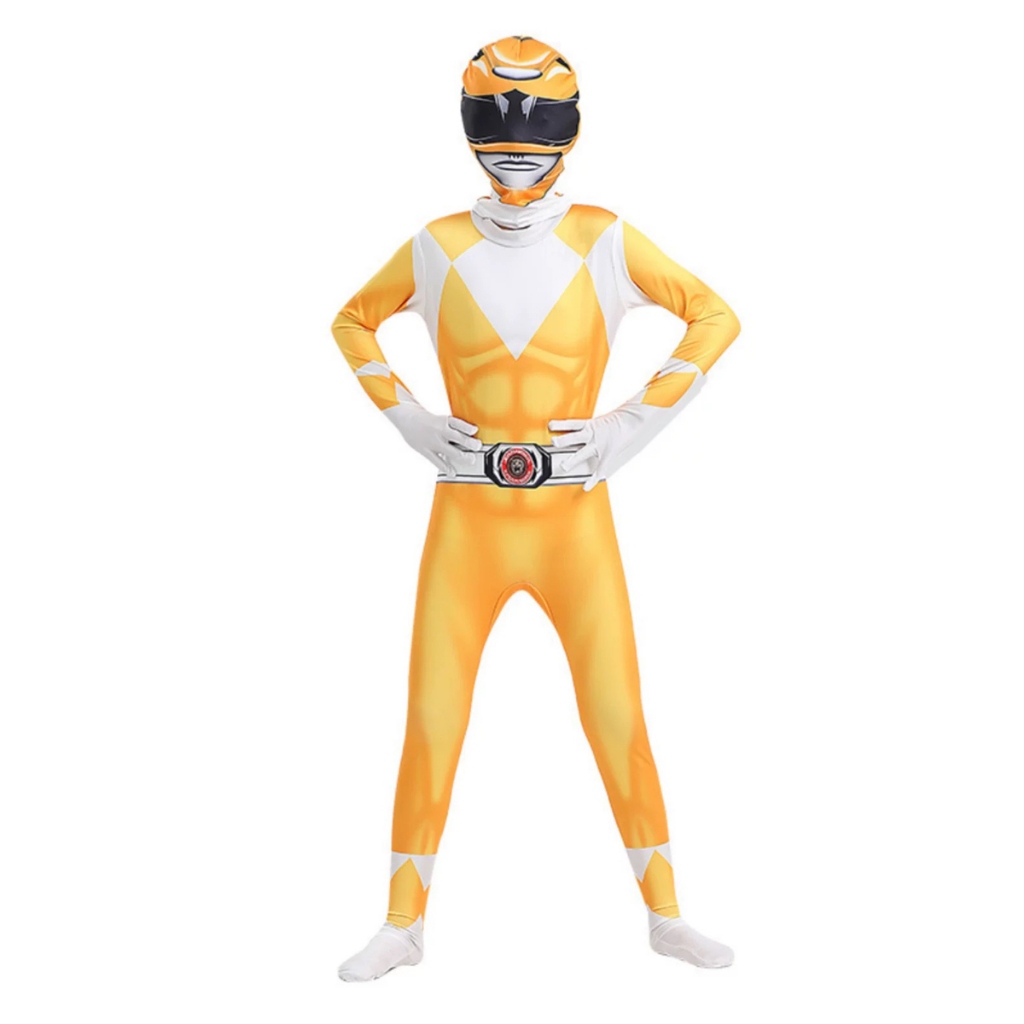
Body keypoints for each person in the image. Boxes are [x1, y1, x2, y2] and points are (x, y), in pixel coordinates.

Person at [331, 35, 741, 981]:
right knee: (433, 718)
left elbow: (714, 315)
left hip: (572, 517)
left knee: (617, 714)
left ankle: (666, 913)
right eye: (495, 121)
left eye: (538, 122)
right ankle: (402, 922)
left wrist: (629, 427)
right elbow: (351, 320)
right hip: (468, 515)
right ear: (470, 125)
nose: (516, 146)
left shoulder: (603, 239)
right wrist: (412, 422)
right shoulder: (437, 245)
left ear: (570, 127)